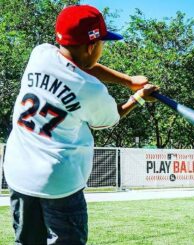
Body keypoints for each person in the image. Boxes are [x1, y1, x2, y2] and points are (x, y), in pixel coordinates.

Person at [3, 5, 158, 244]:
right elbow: (111, 117)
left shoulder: (40, 54)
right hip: (59, 185)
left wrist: (128, 81)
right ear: (91, 46)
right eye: (101, 43)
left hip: (19, 174)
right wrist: (137, 97)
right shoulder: (91, 90)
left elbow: (79, 64)